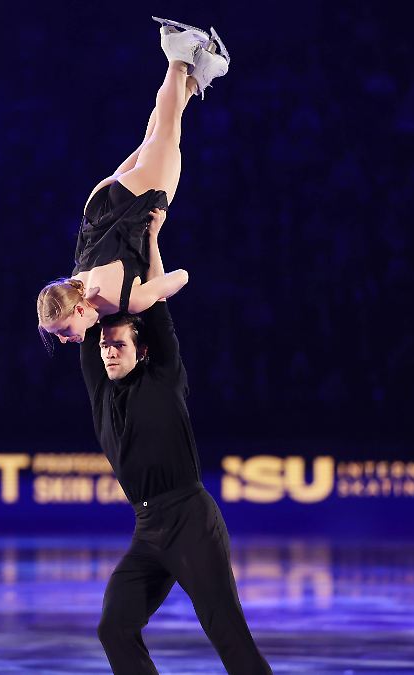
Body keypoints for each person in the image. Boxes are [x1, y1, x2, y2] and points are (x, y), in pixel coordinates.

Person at [84, 196, 272, 675]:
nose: (108, 352)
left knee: (225, 630)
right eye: (105, 345)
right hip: (147, 528)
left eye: (118, 344)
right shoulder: (100, 389)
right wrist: (88, 251)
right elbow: (82, 310)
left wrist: (151, 239)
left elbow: (159, 304)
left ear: (141, 350)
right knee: (114, 627)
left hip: (189, 519)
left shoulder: (163, 375)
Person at [36, 19, 229, 346]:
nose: (66, 340)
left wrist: (152, 244)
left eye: (64, 332)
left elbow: (180, 277)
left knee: (167, 130)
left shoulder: (121, 300)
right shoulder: (76, 284)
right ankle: (200, 72)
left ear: (80, 311)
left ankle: (178, 54)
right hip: (98, 205)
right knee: (156, 135)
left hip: (135, 204)